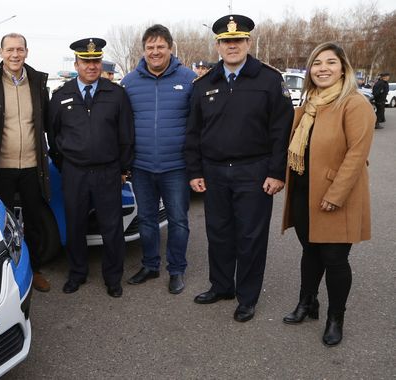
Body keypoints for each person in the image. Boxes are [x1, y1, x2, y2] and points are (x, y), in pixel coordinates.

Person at [184, 14, 293, 322]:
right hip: (214, 172)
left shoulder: (269, 80)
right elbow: (193, 133)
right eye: (225, 41)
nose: (232, 46)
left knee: (250, 238)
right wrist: (194, 171)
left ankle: (247, 297)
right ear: (218, 45)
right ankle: (221, 287)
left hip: (254, 172)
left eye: (237, 40)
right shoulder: (204, 84)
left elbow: (281, 131)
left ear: (248, 42)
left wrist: (276, 172)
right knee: (218, 234)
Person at [280, 42, 375, 347]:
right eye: (317, 63)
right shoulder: (310, 104)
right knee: (310, 251)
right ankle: (308, 302)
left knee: (334, 259)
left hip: (336, 195)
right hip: (304, 192)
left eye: (331, 62)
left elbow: (357, 154)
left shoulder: (354, 104)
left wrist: (336, 194)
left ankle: (336, 317)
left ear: (343, 68)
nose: (323, 68)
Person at [0, 33, 53, 292]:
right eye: (10, 50)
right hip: (0, 168)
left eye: (20, 49)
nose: (15, 55)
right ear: (1, 53)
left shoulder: (37, 83)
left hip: (32, 167)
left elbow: (47, 123)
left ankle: (34, 270)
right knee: (1, 224)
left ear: (27, 52)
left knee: (35, 223)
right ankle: (4, 275)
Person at [47, 38, 134, 298]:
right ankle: (77, 273)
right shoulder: (60, 95)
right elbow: (53, 136)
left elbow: (126, 134)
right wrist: (66, 166)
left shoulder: (116, 94)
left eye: (96, 60)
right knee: (75, 225)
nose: (92, 66)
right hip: (75, 173)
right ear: (76, 64)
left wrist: (123, 168)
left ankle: (113, 278)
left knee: (112, 227)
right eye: (85, 61)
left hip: (108, 171)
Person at [121, 24, 197, 294]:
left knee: (178, 220)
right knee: (146, 220)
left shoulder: (189, 79)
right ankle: (150, 265)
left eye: (160, 46)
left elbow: (197, 123)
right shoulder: (129, 82)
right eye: (150, 47)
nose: (155, 51)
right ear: (143, 50)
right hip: (141, 167)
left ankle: (176, 270)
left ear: (170, 48)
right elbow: (122, 125)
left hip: (176, 167)